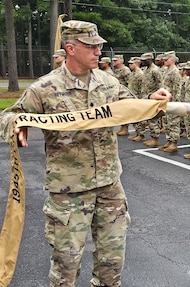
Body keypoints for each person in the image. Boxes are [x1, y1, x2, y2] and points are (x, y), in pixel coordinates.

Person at [0, 20, 171, 287]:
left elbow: (132, 105)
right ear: (70, 48)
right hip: (69, 193)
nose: (98, 51)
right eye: (91, 46)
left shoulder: (107, 83)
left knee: (112, 263)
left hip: (109, 187)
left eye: (99, 46)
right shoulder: (45, 88)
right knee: (66, 268)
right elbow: (9, 115)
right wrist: (16, 126)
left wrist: (153, 98)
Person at [158, 51, 182, 153]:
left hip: (173, 101)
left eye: (166, 59)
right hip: (166, 101)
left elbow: (178, 88)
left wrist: (176, 102)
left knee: (174, 122)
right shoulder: (167, 70)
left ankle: (174, 143)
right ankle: (169, 140)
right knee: (167, 122)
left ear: (172, 60)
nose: (164, 61)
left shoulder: (175, 71)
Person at [141, 52, 163, 147]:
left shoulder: (155, 70)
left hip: (154, 98)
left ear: (149, 60)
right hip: (147, 97)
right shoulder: (147, 70)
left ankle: (155, 138)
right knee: (150, 119)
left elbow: (160, 85)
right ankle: (152, 137)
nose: (142, 62)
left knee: (154, 119)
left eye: (144, 60)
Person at [127, 56, 146, 141]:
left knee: (139, 117)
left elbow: (142, 87)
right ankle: (137, 132)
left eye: (131, 63)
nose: (130, 65)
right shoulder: (133, 73)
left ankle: (141, 134)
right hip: (132, 97)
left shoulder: (140, 74)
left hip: (138, 97)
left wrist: (141, 99)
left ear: (137, 64)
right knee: (134, 117)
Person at [112, 54, 132, 136]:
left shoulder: (125, 70)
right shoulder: (117, 70)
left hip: (124, 94)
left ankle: (125, 128)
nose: (113, 62)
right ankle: (122, 127)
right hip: (118, 94)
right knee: (120, 112)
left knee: (125, 112)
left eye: (115, 60)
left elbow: (129, 83)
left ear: (120, 61)